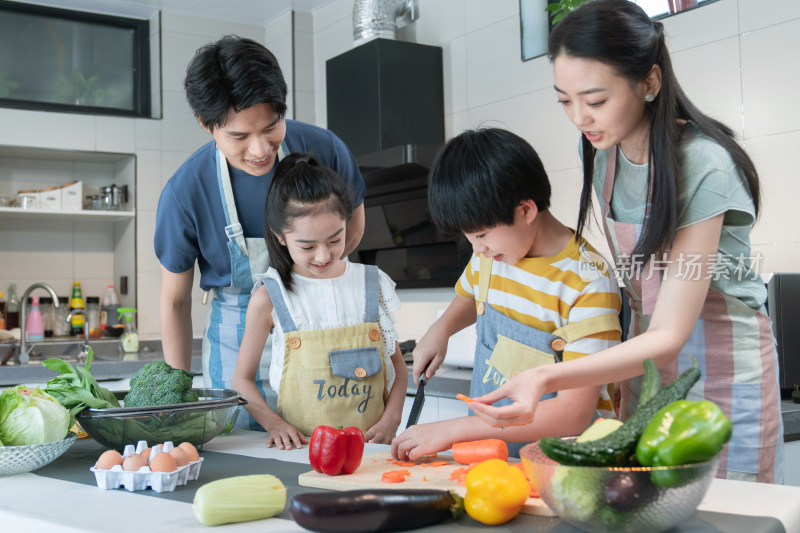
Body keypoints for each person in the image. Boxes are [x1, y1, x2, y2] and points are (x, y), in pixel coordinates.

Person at [467, 0, 783, 483]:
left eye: (595, 101)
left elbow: (670, 332)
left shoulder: (704, 165)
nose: (579, 118)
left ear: (649, 83)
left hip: (724, 377)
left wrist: (548, 376)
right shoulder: (601, 151)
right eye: (564, 100)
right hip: (647, 374)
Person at [154, 36, 365, 429]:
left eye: (271, 127)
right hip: (236, 350)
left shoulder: (325, 148)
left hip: (321, 335)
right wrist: (177, 398)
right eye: (238, 136)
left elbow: (352, 229)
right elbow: (175, 302)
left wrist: (311, 283)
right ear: (207, 125)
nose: (259, 149)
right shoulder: (185, 191)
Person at [391, 128, 622, 461]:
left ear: (525, 210)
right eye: (470, 238)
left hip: (567, 468)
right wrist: (440, 330)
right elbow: (473, 293)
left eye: (482, 234)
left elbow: (575, 412)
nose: (477, 248)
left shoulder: (587, 283)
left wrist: (455, 429)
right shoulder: (492, 256)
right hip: (495, 456)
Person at [231, 153, 407, 449]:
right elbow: (241, 381)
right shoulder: (270, 296)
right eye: (308, 246)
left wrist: (392, 418)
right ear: (281, 237)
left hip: (371, 450)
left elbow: (398, 369)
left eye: (335, 240)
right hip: (303, 452)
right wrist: (274, 425)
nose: (324, 255)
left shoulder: (370, 284)